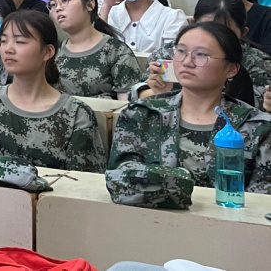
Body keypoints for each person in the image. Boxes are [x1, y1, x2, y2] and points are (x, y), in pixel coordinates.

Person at [107, 21, 271, 201]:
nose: (186, 62)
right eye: (181, 51)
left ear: (231, 69)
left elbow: (262, 200)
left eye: (201, 55)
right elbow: (121, 181)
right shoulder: (141, 114)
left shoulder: (258, 126)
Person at [0, 10, 106, 172]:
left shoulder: (76, 114)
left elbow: (82, 181)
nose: (8, 49)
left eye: (20, 42)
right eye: (4, 41)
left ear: (48, 52)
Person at [136, 0, 271, 109]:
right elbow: (137, 93)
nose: (213, 37)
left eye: (224, 31)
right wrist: (155, 91)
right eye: (207, 27)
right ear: (192, 24)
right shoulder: (171, 53)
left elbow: (259, 105)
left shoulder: (258, 63)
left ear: (243, 33)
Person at [49, 0, 139, 99]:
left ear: (90, 5)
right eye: (52, 4)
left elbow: (126, 103)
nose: (58, 8)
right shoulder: (52, 53)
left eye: (65, 0)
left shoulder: (116, 51)